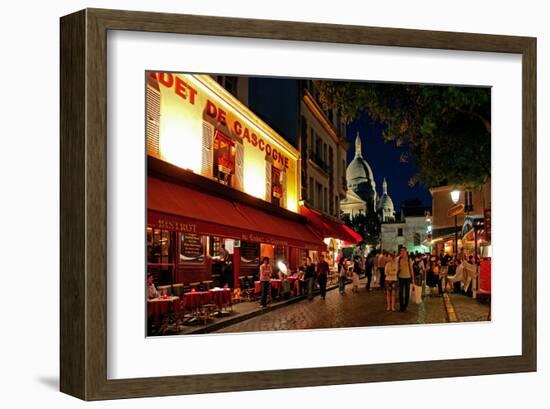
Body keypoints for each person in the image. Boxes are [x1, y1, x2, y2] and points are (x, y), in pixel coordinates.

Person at [396, 247, 415, 312]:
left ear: (406, 251)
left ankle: (405, 306)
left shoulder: (409, 259)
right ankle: (401, 307)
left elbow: (411, 269)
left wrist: (413, 278)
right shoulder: (399, 259)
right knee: (400, 292)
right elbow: (397, 268)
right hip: (401, 277)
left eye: (403, 251)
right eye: (401, 251)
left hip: (408, 277)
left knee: (407, 293)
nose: (402, 252)